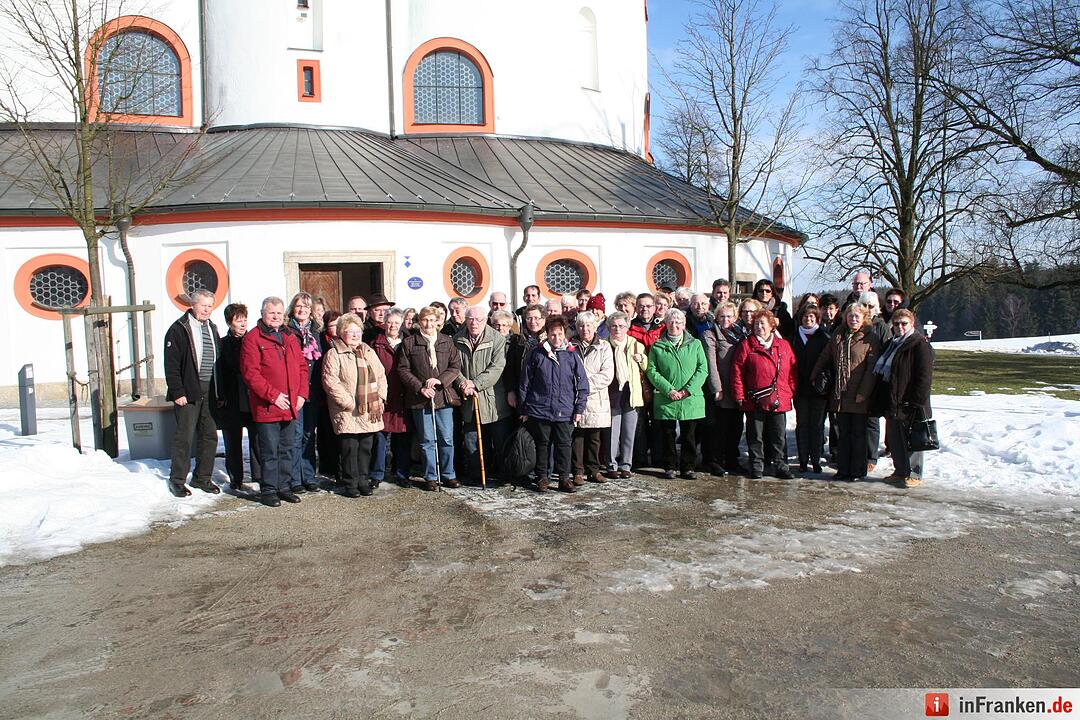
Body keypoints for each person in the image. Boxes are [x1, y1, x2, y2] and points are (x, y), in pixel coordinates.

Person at [241, 296, 308, 506]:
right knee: (269, 450)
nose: (276, 316)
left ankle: (284, 487)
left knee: (287, 448)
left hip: (291, 404)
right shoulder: (253, 338)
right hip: (268, 406)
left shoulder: (289, 336)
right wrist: (273, 395)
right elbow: (251, 374)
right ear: (262, 314)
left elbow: (302, 367)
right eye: (272, 313)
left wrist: (301, 394)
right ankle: (269, 489)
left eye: (279, 313)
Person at [519, 315, 589, 493]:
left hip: (565, 410)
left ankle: (564, 479)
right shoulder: (536, 353)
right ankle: (542, 477)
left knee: (564, 445)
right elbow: (525, 383)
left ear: (565, 334)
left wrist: (579, 408)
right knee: (542, 444)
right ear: (547, 334)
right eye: (552, 334)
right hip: (540, 409)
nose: (556, 338)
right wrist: (524, 409)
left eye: (560, 334)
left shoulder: (572, 355)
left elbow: (582, 384)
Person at [811, 303, 881, 482]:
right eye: (850, 316)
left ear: (864, 318)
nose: (853, 319)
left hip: (859, 393)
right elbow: (825, 356)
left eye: (857, 316)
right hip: (840, 393)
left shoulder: (870, 338)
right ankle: (843, 469)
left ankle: (857, 470)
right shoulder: (838, 335)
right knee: (843, 434)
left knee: (858, 434)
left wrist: (864, 392)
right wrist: (814, 375)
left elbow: (871, 369)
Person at [163, 289, 222, 497]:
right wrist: (177, 391)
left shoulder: (212, 328)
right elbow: (171, 364)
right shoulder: (179, 328)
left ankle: (202, 477)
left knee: (209, 435)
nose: (206, 310)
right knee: (185, 437)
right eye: (203, 305)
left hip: (210, 389)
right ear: (193, 305)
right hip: (188, 390)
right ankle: (177, 480)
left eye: (210, 306)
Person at [321, 313, 387, 497]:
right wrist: (348, 402)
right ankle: (350, 483)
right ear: (342, 333)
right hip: (348, 411)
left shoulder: (367, 351)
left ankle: (363, 481)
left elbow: (380, 375)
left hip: (369, 409)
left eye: (358, 331)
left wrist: (380, 398)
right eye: (350, 331)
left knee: (366, 447)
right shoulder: (334, 353)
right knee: (350, 448)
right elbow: (330, 381)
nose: (355, 335)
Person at [398, 306, 462, 490]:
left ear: (438, 322)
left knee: (446, 438)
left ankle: (449, 474)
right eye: (425, 320)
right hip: (420, 399)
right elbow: (403, 369)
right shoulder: (410, 343)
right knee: (427, 440)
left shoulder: (446, 341)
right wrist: (420, 388)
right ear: (420, 321)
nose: (429, 324)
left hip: (443, 397)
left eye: (432, 320)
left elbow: (455, 366)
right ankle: (431, 477)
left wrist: (440, 381)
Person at [731, 310, 797, 479]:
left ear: (771, 326)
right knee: (755, 436)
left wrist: (790, 390)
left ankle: (781, 465)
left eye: (763, 323)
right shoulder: (747, 345)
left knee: (778, 436)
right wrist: (739, 394)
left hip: (778, 397)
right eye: (756, 324)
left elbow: (793, 370)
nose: (759, 327)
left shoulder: (783, 345)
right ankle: (756, 466)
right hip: (754, 399)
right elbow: (737, 371)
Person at [646, 308, 709, 479]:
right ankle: (670, 466)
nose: (674, 325)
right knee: (667, 434)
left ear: (684, 324)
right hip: (666, 398)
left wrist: (688, 390)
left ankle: (688, 467)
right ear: (665, 324)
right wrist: (668, 390)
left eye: (678, 322)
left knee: (689, 435)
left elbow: (702, 369)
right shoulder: (657, 346)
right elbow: (652, 370)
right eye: (671, 322)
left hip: (690, 398)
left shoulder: (695, 344)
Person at [874, 309, 933, 488]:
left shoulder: (919, 344)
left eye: (904, 323)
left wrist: (917, 401)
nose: (900, 327)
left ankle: (914, 473)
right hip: (894, 401)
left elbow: (924, 376)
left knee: (913, 440)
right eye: (896, 323)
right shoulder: (891, 344)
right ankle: (900, 471)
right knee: (896, 439)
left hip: (911, 402)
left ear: (912, 324)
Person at [453, 306, 508, 484]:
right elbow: (454, 367)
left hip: (493, 401)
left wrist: (475, 383)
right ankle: (476, 475)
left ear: (486, 320)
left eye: (478, 319)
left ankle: (502, 474)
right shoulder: (457, 339)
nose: (474, 323)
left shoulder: (497, 339)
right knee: (471, 442)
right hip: (469, 400)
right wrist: (463, 383)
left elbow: (497, 367)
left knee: (499, 441)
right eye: (470, 319)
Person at [216, 303, 261, 492]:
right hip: (232, 397)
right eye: (238, 320)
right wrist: (220, 395)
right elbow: (219, 372)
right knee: (232, 440)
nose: (242, 324)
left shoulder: (253, 340)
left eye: (244, 319)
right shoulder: (222, 344)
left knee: (256, 438)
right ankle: (236, 477)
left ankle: (259, 476)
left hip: (251, 396)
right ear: (229, 322)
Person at [370, 308, 412, 487]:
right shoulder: (375, 344)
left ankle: (401, 473)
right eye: (389, 322)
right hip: (383, 396)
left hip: (403, 396)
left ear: (402, 323)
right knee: (379, 437)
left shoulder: (409, 341)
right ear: (384, 323)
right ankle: (377, 474)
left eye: (396, 322)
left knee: (402, 438)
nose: (393, 326)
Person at [286, 292, 323, 493]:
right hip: (295, 390)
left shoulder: (316, 332)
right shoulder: (287, 331)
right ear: (293, 308)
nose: (302, 310)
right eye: (299, 306)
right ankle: (294, 479)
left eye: (306, 307)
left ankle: (308, 475)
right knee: (296, 434)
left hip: (313, 390)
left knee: (309, 434)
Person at [572, 312, 614, 485]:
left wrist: (584, 386)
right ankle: (577, 471)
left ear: (595, 327)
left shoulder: (604, 346)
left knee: (594, 438)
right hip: (575, 399)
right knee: (577, 437)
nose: (585, 329)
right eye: (581, 325)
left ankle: (594, 470)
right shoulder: (570, 346)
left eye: (589, 325)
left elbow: (607, 374)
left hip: (596, 399)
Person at [605, 311, 648, 478]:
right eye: (614, 326)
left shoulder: (636, 345)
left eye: (621, 326)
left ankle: (626, 465)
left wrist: (642, 359)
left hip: (631, 393)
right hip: (612, 393)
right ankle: (611, 465)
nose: (618, 329)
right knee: (612, 432)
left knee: (629, 432)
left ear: (627, 327)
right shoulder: (604, 345)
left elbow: (647, 367)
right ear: (609, 327)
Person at [703, 301, 743, 474]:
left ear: (735, 318)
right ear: (717, 317)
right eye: (722, 316)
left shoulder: (740, 334)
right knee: (720, 427)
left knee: (736, 426)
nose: (726, 320)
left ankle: (732, 459)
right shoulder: (710, 334)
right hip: (722, 388)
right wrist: (716, 388)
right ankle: (716, 460)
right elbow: (711, 364)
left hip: (737, 387)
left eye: (729, 316)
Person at [792, 304, 830, 473]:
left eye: (812, 317)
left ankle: (815, 460)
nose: (808, 319)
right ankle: (802, 460)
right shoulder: (794, 338)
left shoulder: (824, 337)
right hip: (800, 389)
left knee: (817, 425)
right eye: (805, 316)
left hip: (818, 390)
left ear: (817, 319)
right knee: (802, 425)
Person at [317, 309, 343, 480]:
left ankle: (340, 468)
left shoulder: (346, 339)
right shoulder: (321, 340)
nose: (336, 328)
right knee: (327, 433)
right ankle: (329, 467)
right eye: (332, 325)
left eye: (338, 324)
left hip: (343, 395)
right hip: (324, 395)